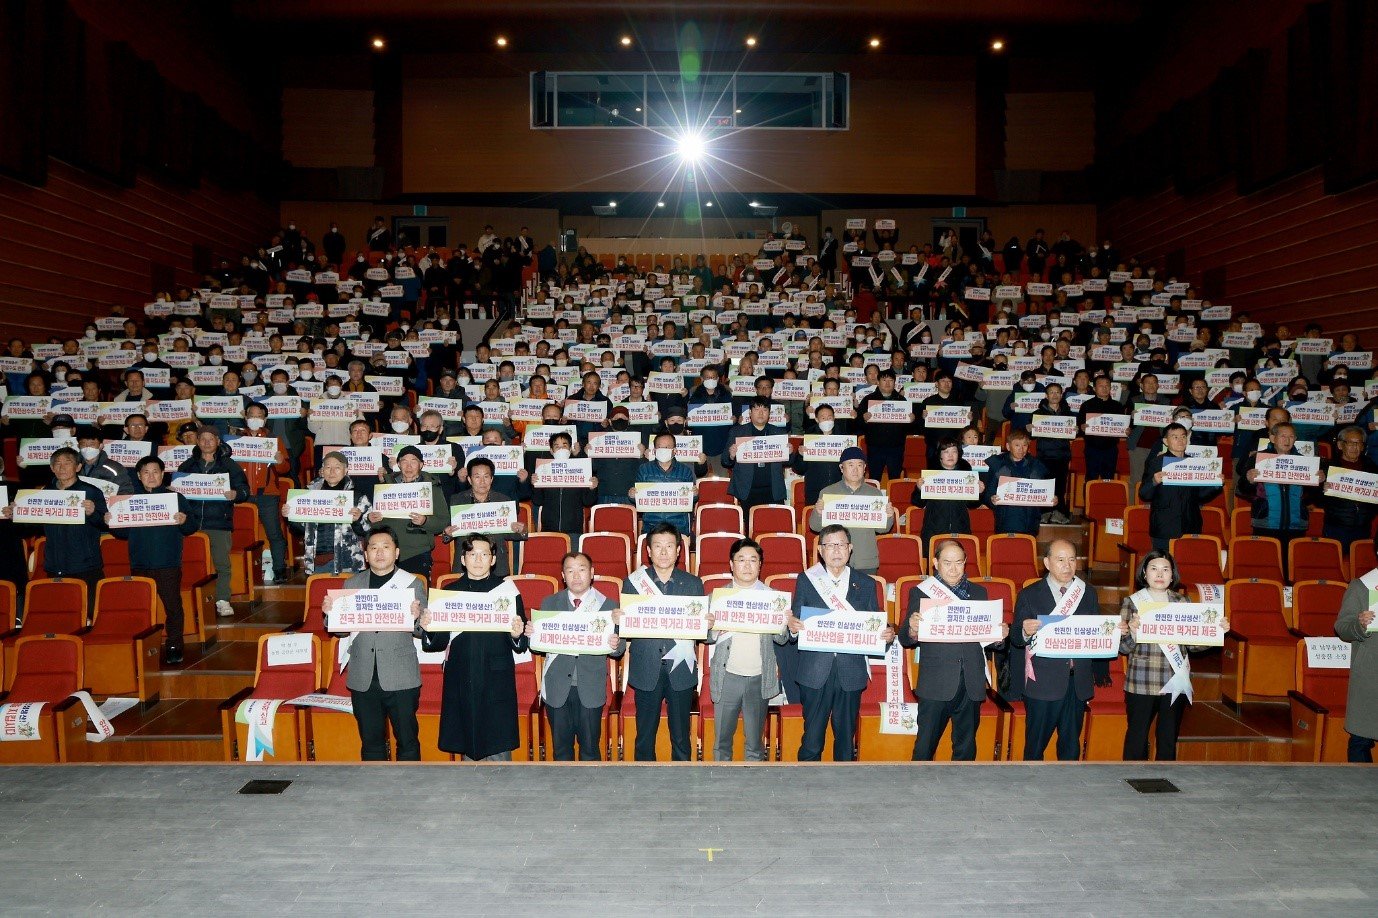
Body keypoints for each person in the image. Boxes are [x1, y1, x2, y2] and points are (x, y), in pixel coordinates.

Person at [785, 524, 896, 761]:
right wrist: (793, 627)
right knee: (812, 740)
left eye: (841, 544)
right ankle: (806, 790)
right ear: (820, 550)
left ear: (850, 548)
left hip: (850, 671)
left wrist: (886, 636)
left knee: (846, 741)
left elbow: (875, 624)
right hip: (815, 671)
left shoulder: (866, 583)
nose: (836, 550)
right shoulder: (807, 580)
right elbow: (795, 620)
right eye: (830, 545)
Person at [419, 534, 529, 761]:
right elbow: (437, 643)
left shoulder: (507, 592)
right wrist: (429, 628)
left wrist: (517, 635)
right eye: (472, 554)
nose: (478, 560)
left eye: (484, 554)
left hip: (496, 676)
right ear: (462, 559)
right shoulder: (448, 592)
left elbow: (519, 645)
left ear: (493, 559)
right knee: (467, 747)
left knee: (498, 749)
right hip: (462, 675)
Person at [323, 528, 427, 761]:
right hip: (363, 677)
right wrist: (330, 615)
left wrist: (417, 617)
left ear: (397, 552)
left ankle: (409, 792)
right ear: (366, 554)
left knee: (408, 742)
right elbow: (340, 630)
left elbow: (423, 630)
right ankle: (374, 794)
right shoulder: (351, 584)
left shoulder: (412, 584)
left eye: (386, 547)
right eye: (373, 547)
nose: (380, 553)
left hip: (401, 676)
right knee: (371, 744)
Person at [899, 538, 1007, 760]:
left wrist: (1000, 636)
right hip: (936, 681)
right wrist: (912, 627)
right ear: (936, 563)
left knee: (966, 748)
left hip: (971, 681)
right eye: (947, 562)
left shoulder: (980, 593)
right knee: (924, 748)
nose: (953, 568)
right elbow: (905, 639)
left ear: (966, 562)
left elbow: (990, 639)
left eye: (959, 562)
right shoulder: (921, 592)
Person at [1011, 539, 1115, 760]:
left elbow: (1095, 633)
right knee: (1035, 749)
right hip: (1043, 684)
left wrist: (1114, 632)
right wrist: (1025, 632)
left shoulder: (1087, 593)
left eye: (1071, 559)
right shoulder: (1029, 594)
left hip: (1077, 683)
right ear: (1047, 563)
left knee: (1070, 749)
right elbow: (1015, 639)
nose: (1067, 566)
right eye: (1060, 560)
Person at [1118, 550, 1225, 761]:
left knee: (1168, 740)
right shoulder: (1132, 602)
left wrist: (1216, 631)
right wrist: (1133, 632)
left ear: (1172, 574)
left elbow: (1193, 646)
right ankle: (1131, 780)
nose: (1160, 574)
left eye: (1165, 569)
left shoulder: (1183, 602)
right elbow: (1122, 648)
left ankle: (1166, 783)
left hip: (1175, 681)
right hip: (1141, 682)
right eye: (1154, 569)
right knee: (1137, 739)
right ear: (1144, 574)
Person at [619, 522, 706, 761]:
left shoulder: (693, 584)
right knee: (644, 737)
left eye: (670, 546)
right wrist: (619, 619)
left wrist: (706, 622)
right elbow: (624, 630)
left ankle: (683, 786)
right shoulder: (633, 582)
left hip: (681, 668)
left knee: (681, 737)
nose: (664, 552)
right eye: (658, 546)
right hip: (646, 666)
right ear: (648, 551)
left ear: (679, 550)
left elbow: (702, 633)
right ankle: (645, 788)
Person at [533, 552, 625, 760]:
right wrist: (533, 634)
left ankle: (591, 793)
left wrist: (616, 644)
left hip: (590, 687)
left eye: (582, 569)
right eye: (570, 570)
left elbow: (620, 650)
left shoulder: (608, 606)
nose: (576, 576)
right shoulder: (549, 604)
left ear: (592, 573)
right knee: (561, 751)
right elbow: (537, 646)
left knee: (590, 750)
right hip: (556, 688)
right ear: (563, 576)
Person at [109, 456, 197, 663]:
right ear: (139, 476)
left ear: (162, 474)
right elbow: (122, 535)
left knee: (173, 607)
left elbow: (191, 527)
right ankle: (145, 648)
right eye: (146, 472)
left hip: (167, 562)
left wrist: (184, 520)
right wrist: (111, 523)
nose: (151, 476)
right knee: (141, 608)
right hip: (139, 563)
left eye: (155, 472)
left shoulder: (175, 498)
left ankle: (175, 644)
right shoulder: (128, 501)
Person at [707, 538, 788, 761]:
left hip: (758, 677)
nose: (747, 565)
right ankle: (721, 789)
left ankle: (754, 791)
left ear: (760, 565)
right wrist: (711, 629)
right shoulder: (717, 597)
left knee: (755, 744)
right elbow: (704, 637)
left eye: (753, 560)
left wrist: (784, 625)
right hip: (727, 676)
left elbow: (782, 640)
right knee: (722, 742)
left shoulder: (773, 598)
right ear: (731, 564)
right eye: (741, 559)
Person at [2, 447, 108, 617]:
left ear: (78, 467)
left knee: (89, 615)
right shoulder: (43, 493)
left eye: (67, 463)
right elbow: (30, 529)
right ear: (51, 468)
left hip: (86, 564)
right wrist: (16, 516)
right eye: (57, 464)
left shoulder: (91, 491)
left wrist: (93, 513)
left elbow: (105, 524)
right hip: (54, 563)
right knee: (62, 615)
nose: (62, 467)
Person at [178, 426, 250, 617]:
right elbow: (177, 495)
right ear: (197, 441)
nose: (207, 442)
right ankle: (194, 602)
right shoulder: (187, 466)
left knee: (222, 564)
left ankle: (222, 599)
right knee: (190, 563)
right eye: (203, 439)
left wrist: (236, 494)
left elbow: (244, 489)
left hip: (219, 521)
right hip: (191, 523)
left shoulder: (229, 465)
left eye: (211, 439)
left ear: (218, 442)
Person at [1236, 421, 1320, 580]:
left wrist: (1318, 483)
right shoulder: (1258, 459)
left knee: (1292, 571)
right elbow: (1241, 490)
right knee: (1266, 567)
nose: (1287, 440)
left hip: (1295, 523)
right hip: (1266, 522)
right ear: (1272, 437)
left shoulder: (1305, 462)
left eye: (1291, 437)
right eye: (1283, 436)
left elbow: (1313, 497)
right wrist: (1248, 480)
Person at [807, 446, 895, 576]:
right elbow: (815, 526)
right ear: (841, 468)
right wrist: (818, 512)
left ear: (865, 468)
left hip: (866, 561)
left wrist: (889, 516)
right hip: (836, 560)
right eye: (850, 464)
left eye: (860, 465)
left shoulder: (874, 494)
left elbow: (883, 529)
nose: (855, 469)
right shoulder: (828, 492)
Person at [1139, 422, 1223, 552]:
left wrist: (1216, 484)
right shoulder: (1156, 462)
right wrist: (1154, 481)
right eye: (1175, 437)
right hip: (1164, 527)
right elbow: (1144, 494)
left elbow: (1201, 496)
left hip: (1190, 525)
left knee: (1187, 569)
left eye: (1183, 436)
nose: (1180, 440)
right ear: (1166, 441)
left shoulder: (1195, 463)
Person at [286, 450, 373, 576]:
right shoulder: (308, 494)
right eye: (328, 467)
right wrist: (291, 515)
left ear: (346, 470)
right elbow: (298, 530)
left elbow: (368, 531)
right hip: (317, 562)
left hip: (347, 561)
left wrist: (358, 520)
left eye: (337, 467)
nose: (332, 471)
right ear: (322, 470)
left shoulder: (356, 496)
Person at [366, 445, 447, 578]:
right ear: (398, 464)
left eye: (413, 461)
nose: (409, 466)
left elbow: (443, 522)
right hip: (388, 552)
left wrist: (425, 521)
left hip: (418, 552)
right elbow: (376, 525)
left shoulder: (432, 487)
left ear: (421, 464)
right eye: (404, 461)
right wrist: (373, 520)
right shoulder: (385, 486)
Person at [444, 456, 528, 579]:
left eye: (486, 477)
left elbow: (511, 534)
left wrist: (522, 530)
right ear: (469, 479)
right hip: (465, 564)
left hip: (497, 565)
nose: (482, 482)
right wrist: (447, 533)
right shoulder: (457, 500)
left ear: (492, 479)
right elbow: (447, 533)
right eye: (477, 477)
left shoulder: (503, 500)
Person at [910, 438, 983, 553]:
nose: (950, 455)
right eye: (946, 452)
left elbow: (972, 505)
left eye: (954, 451)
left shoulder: (967, 476)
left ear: (959, 454)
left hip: (960, 528)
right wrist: (919, 489)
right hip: (934, 529)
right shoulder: (930, 476)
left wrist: (979, 492)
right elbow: (917, 503)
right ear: (940, 455)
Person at [722, 396, 790, 514]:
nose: (761, 413)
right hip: (747, 490)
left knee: (774, 526)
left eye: (764, 410)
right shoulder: (737, 432)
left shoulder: (779, 433)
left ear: (769, 413)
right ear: (750, 412)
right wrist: (731, 455)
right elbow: (725, 461)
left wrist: (790, 452)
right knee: (750, 528)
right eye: (757, 409)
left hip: (773, 489)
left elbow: (790, 462)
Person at [1336, 574, 1378, 762]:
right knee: (1361, 738)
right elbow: (1342, 627)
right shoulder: (1362, 586)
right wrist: (1359, 624)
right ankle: (1359, 791)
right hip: (1371, 672)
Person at [528, 432, 598, 542]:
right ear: (551, 450)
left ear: (570, 449)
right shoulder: (542, 470)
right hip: (549, 529)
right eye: (557, 446)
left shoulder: (581, 470)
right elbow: (537, 501)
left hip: (574, 530)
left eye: (565, 445)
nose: (561, 449)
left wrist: (592, 488)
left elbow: (588, 501)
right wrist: (534, 485)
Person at [983, 428, 1049, 537]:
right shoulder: (998, 465)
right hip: (1006, 520)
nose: (1021, 449)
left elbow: (1043, 493)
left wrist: (1051, 499)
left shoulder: (1036, 466)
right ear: (1008, 447)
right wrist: (991, 499)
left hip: (1030, 522)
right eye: (1017, 445)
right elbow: (988, 493)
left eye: (1024, 445)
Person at [632, 431, 701, 537]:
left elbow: (690, 501)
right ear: (654, 450)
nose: (663, 450)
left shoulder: (685, 470)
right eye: (660, 447)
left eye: (667, 447)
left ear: (675, 451)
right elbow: (638, 499)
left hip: (679, 525)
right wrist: (632, 495)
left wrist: (695, 494)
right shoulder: (644, 469)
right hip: (652, 525)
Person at [1321, 426, 1378, 545]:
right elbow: (1315, 500)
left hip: (1363, 526)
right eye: (1350, 443)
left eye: (1358, 443)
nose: (1355, 447)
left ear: (1363, 447)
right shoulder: (1328, 468)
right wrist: (1322, 489)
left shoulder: (1371, 467)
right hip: (1336, 527)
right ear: (1340, 445)